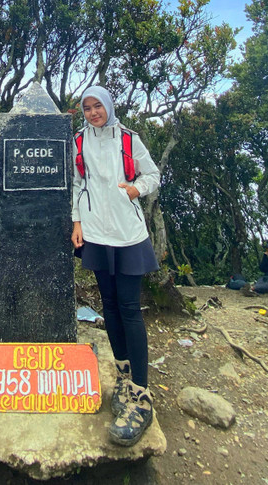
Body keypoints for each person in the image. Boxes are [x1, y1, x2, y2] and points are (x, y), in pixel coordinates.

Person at [71, 86, 160, 447]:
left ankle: (141, 394)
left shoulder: (128, 138)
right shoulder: (79, 141)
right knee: (108, 306)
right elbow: (77, 182)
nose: (93, 113)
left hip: (127, 232)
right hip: (94, 231)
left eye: (98, 107)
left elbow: (152, 175)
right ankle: (123, 377)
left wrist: (134, 191)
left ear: (109, 106)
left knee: (129, 309)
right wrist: (76, 222)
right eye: (87, 108)